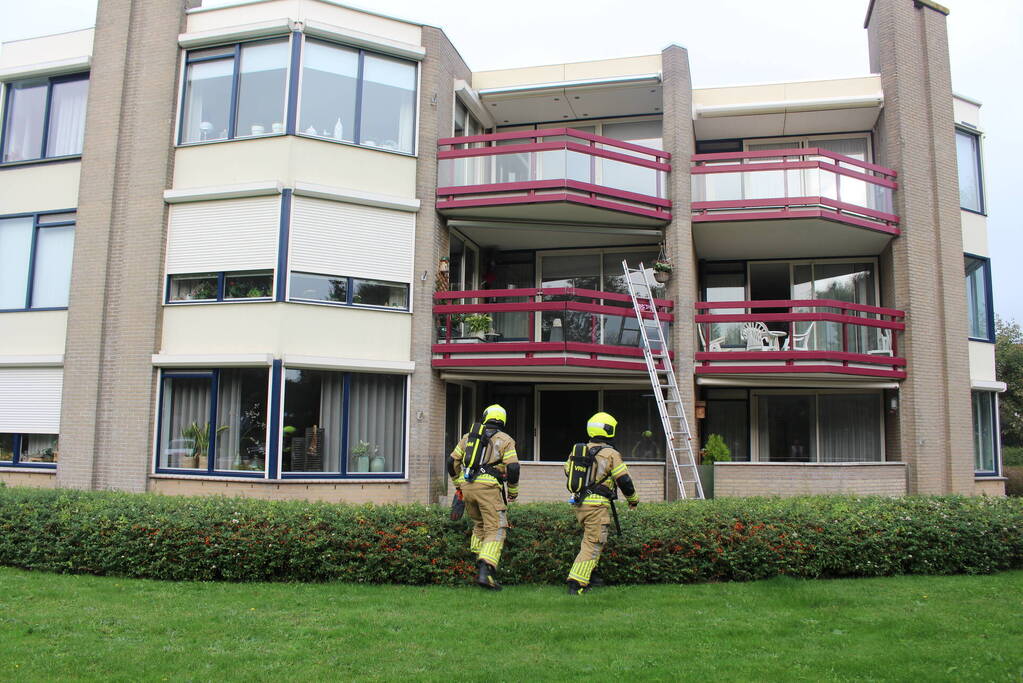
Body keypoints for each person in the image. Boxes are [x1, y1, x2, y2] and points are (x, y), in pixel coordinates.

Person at [563, 411, 638, 595]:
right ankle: (576, 583)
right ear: (609, 430)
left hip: (580, 504)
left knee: (591, 540)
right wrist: (633, 500)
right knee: (594, 543)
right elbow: (624, 480)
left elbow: (567, 471)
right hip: (597, 506)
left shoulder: (577, 451)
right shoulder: (611, 454)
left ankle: (592, 576)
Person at [447, 404, 520, 591]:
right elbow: (513, 468)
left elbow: (451, 461)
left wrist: (458, 484)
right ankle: (485, 570)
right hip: (488, 489)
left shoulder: (468, 437)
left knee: (480, 525)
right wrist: (512, 491)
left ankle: (481, 570)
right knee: (496, 528)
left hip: (468, 488)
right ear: (502, 420)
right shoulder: (505, 440)